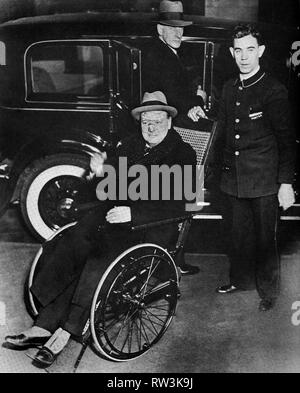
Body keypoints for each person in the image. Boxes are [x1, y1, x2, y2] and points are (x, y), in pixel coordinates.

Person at [4, 91, 198, 367]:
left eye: (157, 121)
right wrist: (97, 174)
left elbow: (181, 205)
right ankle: (44, 323)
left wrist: (134, 213)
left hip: (151, 227)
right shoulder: (128, 145)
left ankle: (64, 330)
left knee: (98, 259)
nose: (151, 127)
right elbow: (103, 192)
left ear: (169, 122)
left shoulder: (183, 154)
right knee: (72, 240)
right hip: (114, 220)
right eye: (145, 122)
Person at [215, 24, 297, 311]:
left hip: (264, 180)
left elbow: (287, 141)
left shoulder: (273, 90)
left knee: (265, 240)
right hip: (234, 179)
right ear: (231, 53)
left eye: (250, 49)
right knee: (238, 236)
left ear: (260, 51)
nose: (244, 56)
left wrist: (286, 183)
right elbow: (223, 134)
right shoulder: (228, 88)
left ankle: (269, 292)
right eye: (239, 50)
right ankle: (240, 280)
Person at [143, 0, 207, 125]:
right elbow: (174, 100)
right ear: (160, 29)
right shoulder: (158, 57)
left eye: (181, 27)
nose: (178, 34)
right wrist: (199, 98)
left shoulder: (170, 51)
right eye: (172, 28)